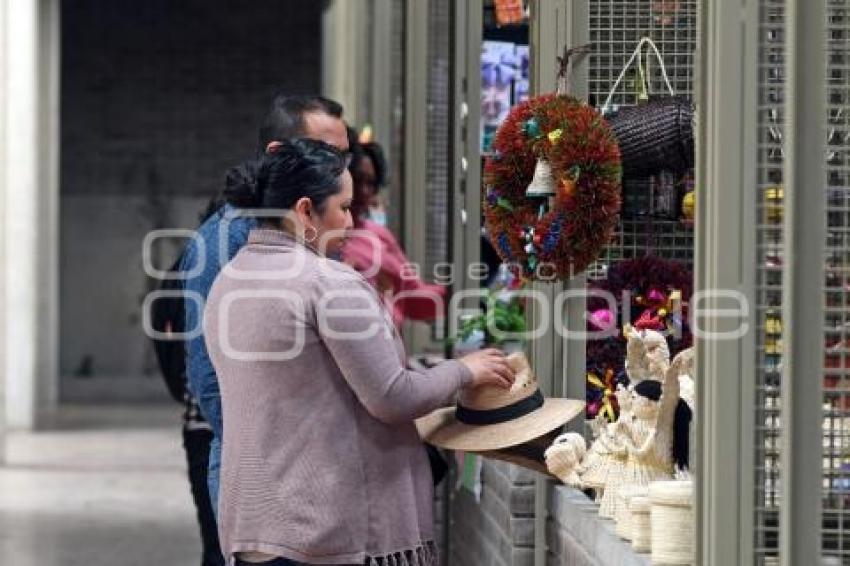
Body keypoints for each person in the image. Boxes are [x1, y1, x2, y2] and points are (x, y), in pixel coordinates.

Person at [204, 139, 515, 565]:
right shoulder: (328, 282)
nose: (352, 222)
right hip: (326, 532)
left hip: (256, 527)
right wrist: (464, 371)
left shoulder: (230, 279)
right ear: (304, 211)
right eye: (345, 207)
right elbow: (393, 395)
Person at [181, 95, 349, 518]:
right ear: (278, 154)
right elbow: (212, 380)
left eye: (345, 155)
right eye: (328, 154)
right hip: (269, 477)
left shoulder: (309, 232)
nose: (342, 169)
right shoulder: (225, 243)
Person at [342, 134, 446, 328]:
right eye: (358, 180)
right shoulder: (326, 239)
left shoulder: (379, 235)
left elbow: (414, 297)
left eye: (371, 183)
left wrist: (464, 291)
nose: (364, 191)